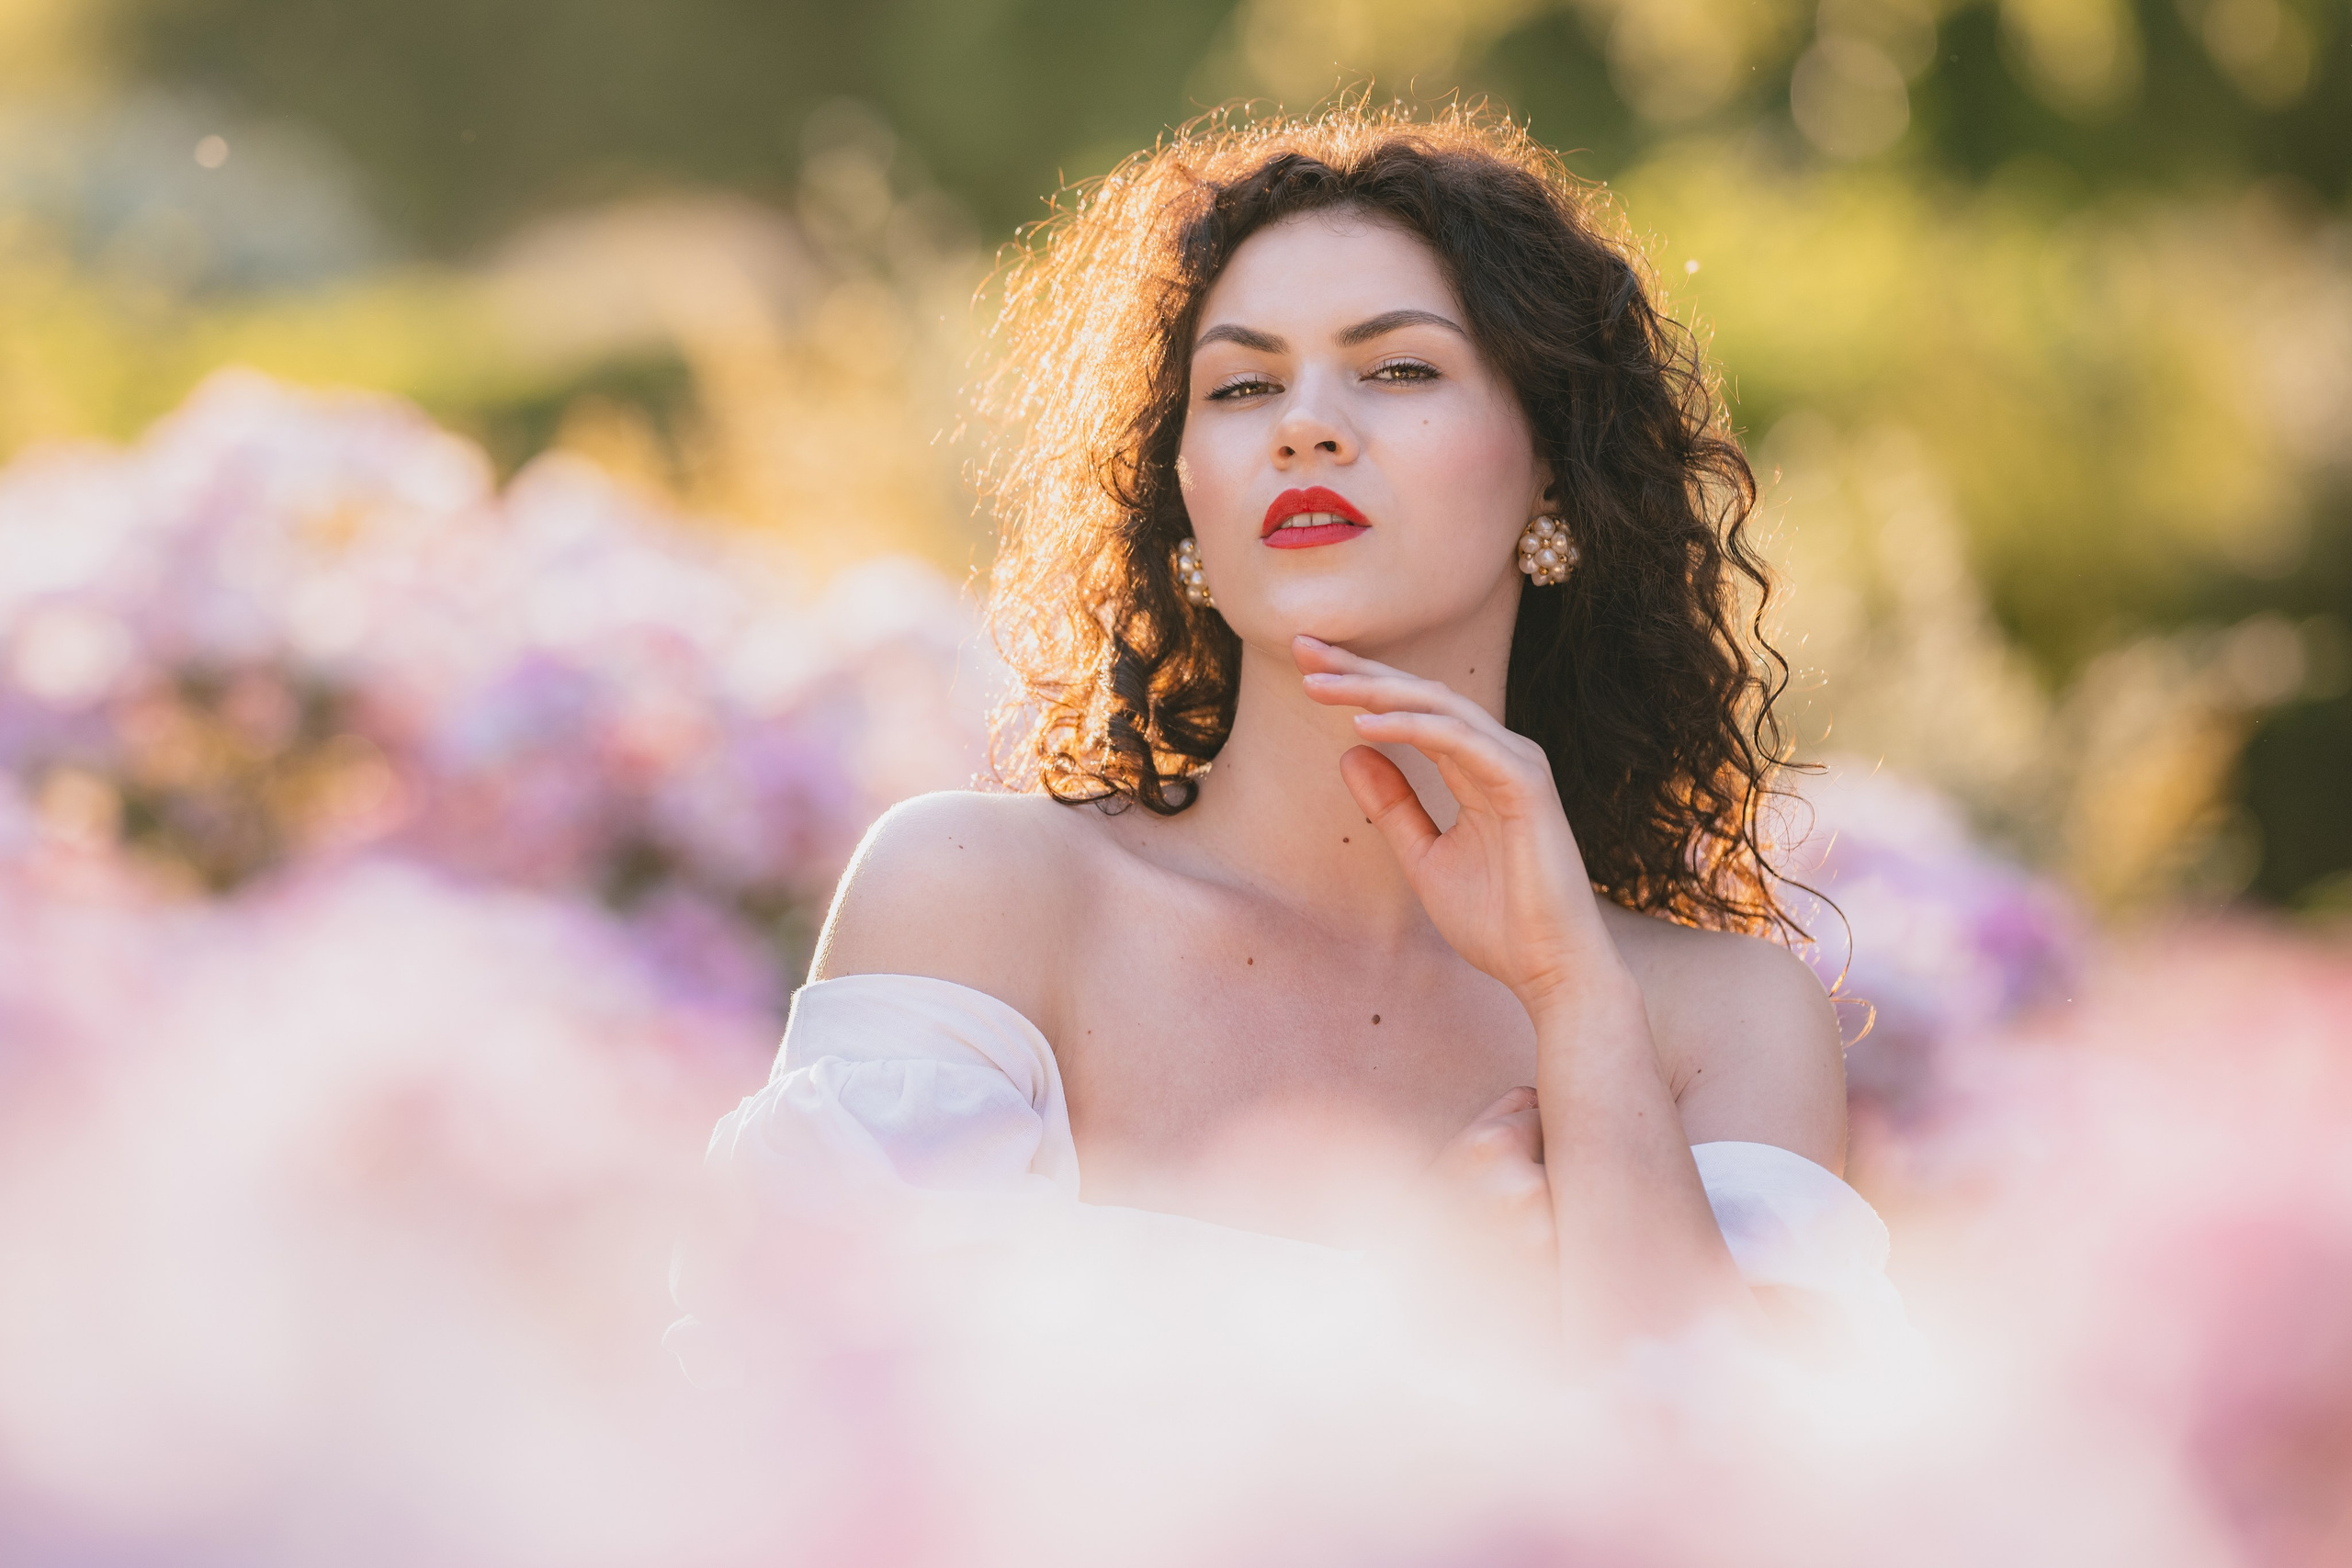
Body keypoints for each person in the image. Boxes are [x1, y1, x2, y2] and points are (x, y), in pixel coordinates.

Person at [680, 106, 1905, 1371]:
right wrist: (1393, 1311)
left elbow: (1742, 1500)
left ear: (1552, 475)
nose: (1304, 426)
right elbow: (827, 1442)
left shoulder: (1722, 1023)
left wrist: (1575, 1002)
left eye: (1399, 369)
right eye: (1244, 385)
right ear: (1186, 497)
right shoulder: (981, 906)